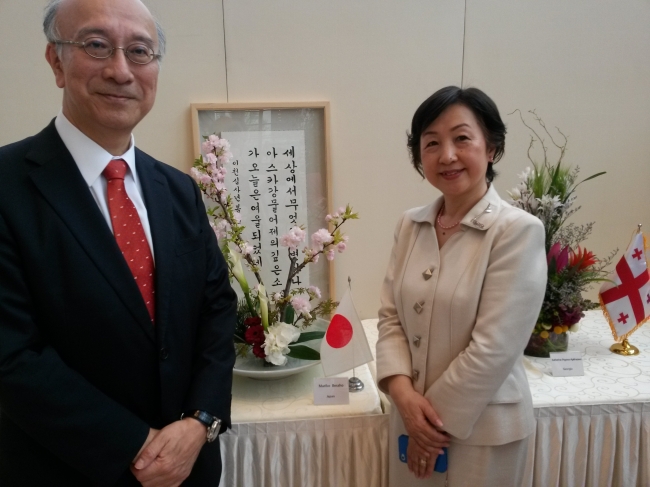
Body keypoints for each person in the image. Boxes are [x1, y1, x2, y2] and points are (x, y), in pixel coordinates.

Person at [0, 0, 237, 485]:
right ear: (56, 61)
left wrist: (201, 421)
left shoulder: (178, 189)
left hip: (190, 467)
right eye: (96, 45)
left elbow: (217, 310)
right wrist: (133, 444)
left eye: (140, 51)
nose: (121, 70)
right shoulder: (6, 186)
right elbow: (11, 354)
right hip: (63, 468)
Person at [376, 86, 547, 486]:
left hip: (481, 432)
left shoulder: (516, 231)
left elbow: (495, 347)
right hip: (408, 420)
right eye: (431, 142)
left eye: (462, 138)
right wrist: (402, 397)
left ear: (492, 148)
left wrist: (429, 427)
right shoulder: (410, 224)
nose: (447, 155)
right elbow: (390, 318)